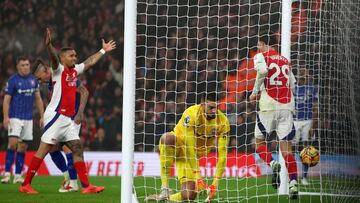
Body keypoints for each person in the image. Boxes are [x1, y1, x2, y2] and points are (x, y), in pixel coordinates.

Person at [19, 28, 116, 194]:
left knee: (77, 148)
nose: (75, 58)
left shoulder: (74, 70)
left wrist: (103, 50)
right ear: (63, 58)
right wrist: (49, 45)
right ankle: (25, 185)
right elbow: (54, 58)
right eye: (71, 55)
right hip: (56, 116)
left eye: (75, 55)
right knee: (44, 150)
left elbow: (90, 61)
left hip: (66, 119)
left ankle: (86, 186)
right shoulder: (58, 70)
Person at [145, 92, 230, 202]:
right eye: (211, 107)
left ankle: (165, 198)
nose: (215, 110)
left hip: (191, 157)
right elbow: (189, 147)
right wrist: (198, 177)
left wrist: (214, 185)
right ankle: (165, 187)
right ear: (202, 104)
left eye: (217, 107)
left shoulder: (223, 122)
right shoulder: (191, 114)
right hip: (179, 145)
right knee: (167, 138)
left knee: (189, 196)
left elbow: (223, 156)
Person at [249, 30, 298, 199]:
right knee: (287, 150)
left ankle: (272, 163)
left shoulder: (261, 56)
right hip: (286, 107)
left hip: (268, 105)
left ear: (262, 43)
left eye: (258, 44)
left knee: (259, 142)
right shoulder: (285, 61)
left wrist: (254, 92)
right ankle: (293, 184)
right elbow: (293, 83)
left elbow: (262, 72)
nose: (257, 47)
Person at [32, 58, 90, 192]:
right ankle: (68, 177)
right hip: (59, 118)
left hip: (71, 119)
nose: (40, 82)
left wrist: (80, 113)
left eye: (40, 79)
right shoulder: (51, 83)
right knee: (52, 148)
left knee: (68, 149)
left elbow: (84, 92)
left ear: (46, 70)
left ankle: (73, 184)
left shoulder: (65, 76)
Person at [1, 56, 44, 184]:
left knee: (23, 147)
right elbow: (6, 100)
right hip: (15, 117)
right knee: (13, 143)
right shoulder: (13, 80)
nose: (25, 67)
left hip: (28, 119)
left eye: (27, 65)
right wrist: (5, 117)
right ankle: (7, 174)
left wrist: (42, 115)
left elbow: (38, 98)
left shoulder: (33, 80)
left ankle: (18, 175)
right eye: (22, 65)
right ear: (18, 67)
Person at [293, 67, 318, 185]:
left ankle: (304, 177)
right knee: (292, 148)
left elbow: (315, 107)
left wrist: (313, 125)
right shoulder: (294, 88)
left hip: (307, 121)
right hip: (295, 120)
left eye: (305, 71)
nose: (302, 72)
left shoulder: (313, 88)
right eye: (300, 71)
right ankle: (291, 176)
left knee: (306, 149)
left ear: (308, 74)